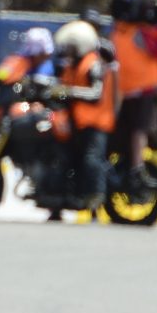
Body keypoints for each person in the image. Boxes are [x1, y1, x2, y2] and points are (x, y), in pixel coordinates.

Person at [109, 0, 157, 192]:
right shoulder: (140, 32)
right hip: (141, 89)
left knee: (129, 129)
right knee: (139, 129)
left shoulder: (118, 30)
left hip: (121, 90)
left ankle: (128, 165)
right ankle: (136, 167)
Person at [55, 19, 116, 213]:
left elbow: (95, 93)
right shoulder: (70, 66)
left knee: (91, 159)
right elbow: (61, 87)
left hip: (96, 123)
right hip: (76, 123)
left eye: (72, 47)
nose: (68, 50)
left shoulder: (93, 65)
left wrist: (69, 92)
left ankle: (95, 199)